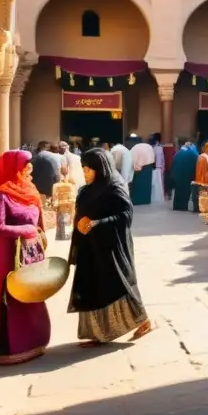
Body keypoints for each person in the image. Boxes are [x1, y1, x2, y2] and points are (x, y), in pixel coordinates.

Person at [69, 148, 152, 347]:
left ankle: (143, 320)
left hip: (111, 247)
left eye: (89, 170)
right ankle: (98, 333)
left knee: (119, 285)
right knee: (92, 288)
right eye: (84, 169)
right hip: (90, 247)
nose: (85, 174)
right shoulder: (86, 190)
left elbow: (125, 216)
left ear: (101, 168)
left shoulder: (114, 188)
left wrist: (97, 223)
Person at [0, 150, 51, 365]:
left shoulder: (30, 190)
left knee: (32, 296)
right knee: (12, 299)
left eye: (30, 165)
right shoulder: (0, 195)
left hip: (32, 253)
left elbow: (38, 220)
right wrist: (28, 229)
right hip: (8, 254)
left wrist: (39, 234)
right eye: (25, 165)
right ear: (14, 168)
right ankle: (12, 350)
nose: (29, 169)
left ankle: (34, 343)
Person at [170, 141, 198, 212]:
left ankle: (176, 206)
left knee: (178, 192)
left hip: (178, 176)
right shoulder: (193, 154)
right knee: (186, 192)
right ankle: (183, 207)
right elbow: (196, 166)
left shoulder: (178, 153)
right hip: (187, 176)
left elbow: (172, 165)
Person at [129, 140, 156, 205]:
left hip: (139, 169)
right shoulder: (149, 147)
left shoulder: (135, 148)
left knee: (138, 185)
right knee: (146, 185)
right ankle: (146, 199)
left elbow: (132, 159)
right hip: (149, 167)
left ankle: (137, 200)